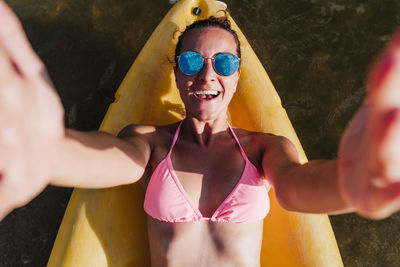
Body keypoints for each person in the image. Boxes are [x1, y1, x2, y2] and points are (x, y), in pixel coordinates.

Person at [1, 1, 400, 266]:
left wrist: (351, 183)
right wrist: (51, 154)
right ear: (176, 73)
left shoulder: (264, 149)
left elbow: (296, 188)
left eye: (223, 62)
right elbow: (112, 161)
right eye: (191, 60)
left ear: (237, 76)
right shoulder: (151, 142)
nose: (207, 74)